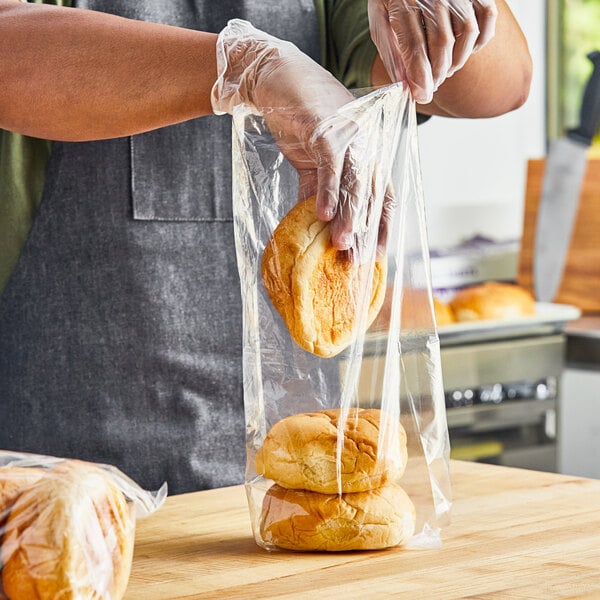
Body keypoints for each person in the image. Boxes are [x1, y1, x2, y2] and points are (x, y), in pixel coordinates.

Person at [0, 0, 531, 494]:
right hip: (51, 475)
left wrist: (444, 21)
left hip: (293, 476)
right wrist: (243, 65)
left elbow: (501, 87)